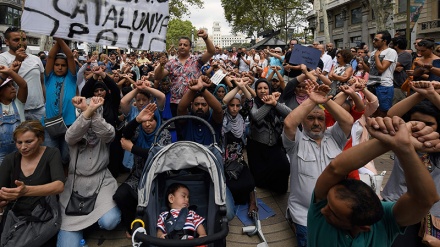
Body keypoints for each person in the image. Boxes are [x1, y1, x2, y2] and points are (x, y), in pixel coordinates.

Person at [307, 115, 440, 247]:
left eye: (334, 213)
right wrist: (396, 142)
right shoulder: (320, 210)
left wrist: (404, 148)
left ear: (364, 227)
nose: (323, 211)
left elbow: (425, 200)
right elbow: (336, 168)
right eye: (328, 204)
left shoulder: (385, 221)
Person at [282, 81, 353, 247]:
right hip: (305, 215)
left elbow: (348, 121)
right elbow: (289, 123)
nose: (316, 123)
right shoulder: (296, 141)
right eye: (310, 118)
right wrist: (312, 100)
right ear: (303, 121)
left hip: (337, 211)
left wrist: (326, 100)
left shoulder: (335, 137)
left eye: (320, 118)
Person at [57, 96, 121, 246]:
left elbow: (108, 134)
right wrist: (87, 110)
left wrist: (89, 110)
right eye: (84, 112)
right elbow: (70, 137)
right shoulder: (74, 130)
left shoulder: (106, 129)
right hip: (75, 183)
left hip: (101, 180)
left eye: (95, 112)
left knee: (110, 221)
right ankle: (84, 224)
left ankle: (91, 220)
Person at [0, 120, 65, 246]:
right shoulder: (10, 160)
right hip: (16, 219)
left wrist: (26, 191)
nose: (23, 147)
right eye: (19, 142)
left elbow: (59, 185)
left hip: (43, 217)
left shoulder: (51, 154)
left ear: (40, 139)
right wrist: (4, 197)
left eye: (29, 142)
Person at [114, 103, 171, 238]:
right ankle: (131, 226)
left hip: (158, 179)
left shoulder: (164, 133)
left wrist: (132, 148)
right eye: (144, 122)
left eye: (151, 120)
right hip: (138, 176)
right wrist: (137, 120)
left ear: (157, 120)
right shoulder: (139, 132)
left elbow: (156, 154)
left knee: (151, 208)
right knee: (120, 196)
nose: (147, 124)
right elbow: (125, 134)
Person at [154, 30, 215, 117]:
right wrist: (161, 65)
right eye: (180, 44)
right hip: (176, 102)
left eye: (185, 45)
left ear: (190, 48)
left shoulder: (196, 60)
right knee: (180, 129)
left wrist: (205, 37)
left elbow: (211, 51)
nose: (182, 46)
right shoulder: (171, 63)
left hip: (194, 102)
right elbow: (157, 77)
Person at [247, 78, 291, 194]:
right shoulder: (252, 102)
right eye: (259, 88)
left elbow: (290, 114)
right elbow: (256, 116)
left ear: (269, 89)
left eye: (265, 88)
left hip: (275, 143)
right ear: (255, 90)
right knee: (260, 174)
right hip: (257, 145)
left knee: (284, 166)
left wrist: (275, 103)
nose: (262, 91)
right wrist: (269, 104)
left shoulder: (275, 101)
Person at [221, 78, 256, 214]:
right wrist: (237, 88)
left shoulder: (242, 116)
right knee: (232, 187)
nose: (235, 108)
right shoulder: (222, 117)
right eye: (232, 105)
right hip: (224, 161)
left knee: (249, 184)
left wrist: (243, 87)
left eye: (237, 105)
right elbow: (223, 101)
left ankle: (252, 202)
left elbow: (249, 101)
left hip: (239, 160)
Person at [44, 38, 78, 168]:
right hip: (50, 123)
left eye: (63, 65)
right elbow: (51, 55)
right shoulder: (48, 77)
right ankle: (55, 180)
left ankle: (65, 179)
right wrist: (59, 38)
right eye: (57, 64)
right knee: (52, 155)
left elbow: (69, 55)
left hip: (68, 123)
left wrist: (59, 38)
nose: (59, 67)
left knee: (66, 156)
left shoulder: (71, 78)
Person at [0, 27, 45, 121]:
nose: (21, 43)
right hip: (16, 109)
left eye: (23, 39)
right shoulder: (2, 58)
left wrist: (45, 102)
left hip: (39, 110)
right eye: (16, 40)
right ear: (7, 42)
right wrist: (17, 60)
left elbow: (42, 82)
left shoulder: (36, 59)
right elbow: (4, 83)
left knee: (41, 135)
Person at [177, 75, 223, 145]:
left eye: (204, 105)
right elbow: (181, 108)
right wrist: (193, 89)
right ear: (191, 105)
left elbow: (219, 110)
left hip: (209, 155)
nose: (200, 107)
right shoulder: (187, 119)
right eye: (196, 104)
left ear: (209, 106)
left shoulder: (213, 119)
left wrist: (202, 89)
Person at [363, 30, 398, 117]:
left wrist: (376, 57)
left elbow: (381, 69)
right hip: (371, 85)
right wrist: (362, 63)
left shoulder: (391, 52)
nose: (373, 41)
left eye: (376, 40)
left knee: (383, 111)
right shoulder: (374, 53)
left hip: (383, 86)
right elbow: (370, 70)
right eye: (374, 39)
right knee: (372, 110)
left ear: (384, 41)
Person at [0, 62, 27, 164]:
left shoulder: (18, 102)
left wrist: (10, 71)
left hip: (21, 149)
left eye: (13, 85)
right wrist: (4, 75)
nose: (13, 88)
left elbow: (23, 85)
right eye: (8, 86)